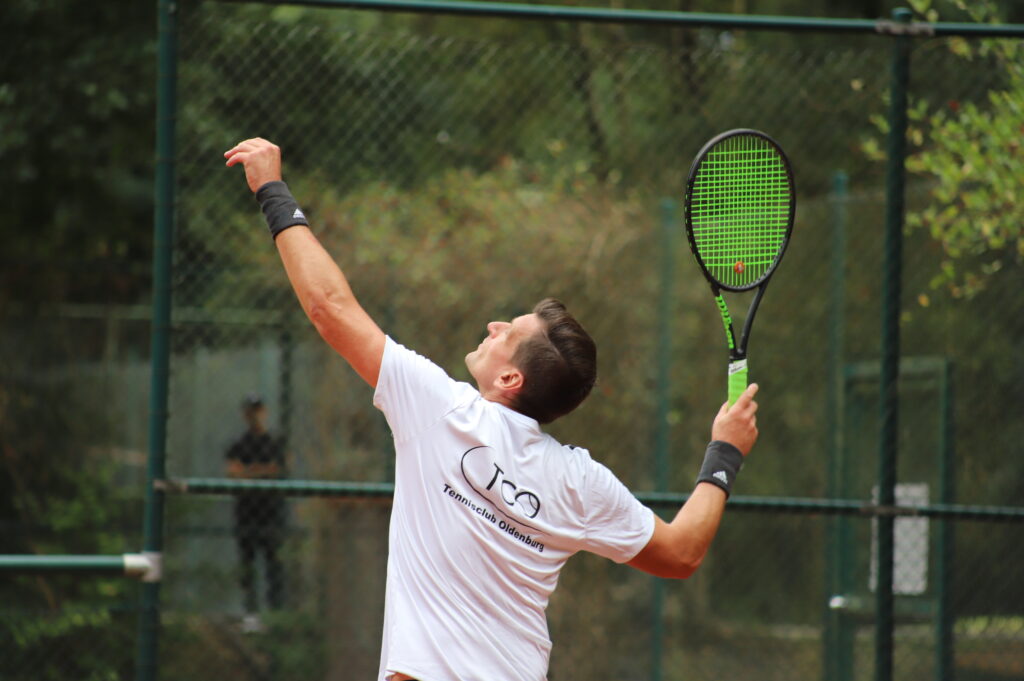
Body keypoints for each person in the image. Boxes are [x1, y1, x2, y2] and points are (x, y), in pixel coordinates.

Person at [225, 138, 759, 681]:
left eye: (509, 330)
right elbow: (682, 552)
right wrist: (725, 453)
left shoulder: (439, 408)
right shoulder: (579, 481)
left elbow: (329, 309)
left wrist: (273, 191)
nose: (493, 326)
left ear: (510, 378)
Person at [225, 393, 287, 619]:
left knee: (274, 564)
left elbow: (279, 469)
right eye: (251, 411)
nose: (255, 415)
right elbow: (233, 472)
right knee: (247, 564)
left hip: (272, 514)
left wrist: (248, 472)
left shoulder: (275, 442)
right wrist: (263, 471)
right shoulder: (238, 444)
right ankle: (250, 613)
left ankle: (276, 613)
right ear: (245, 415)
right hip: (246, 513)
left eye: (259, 410)